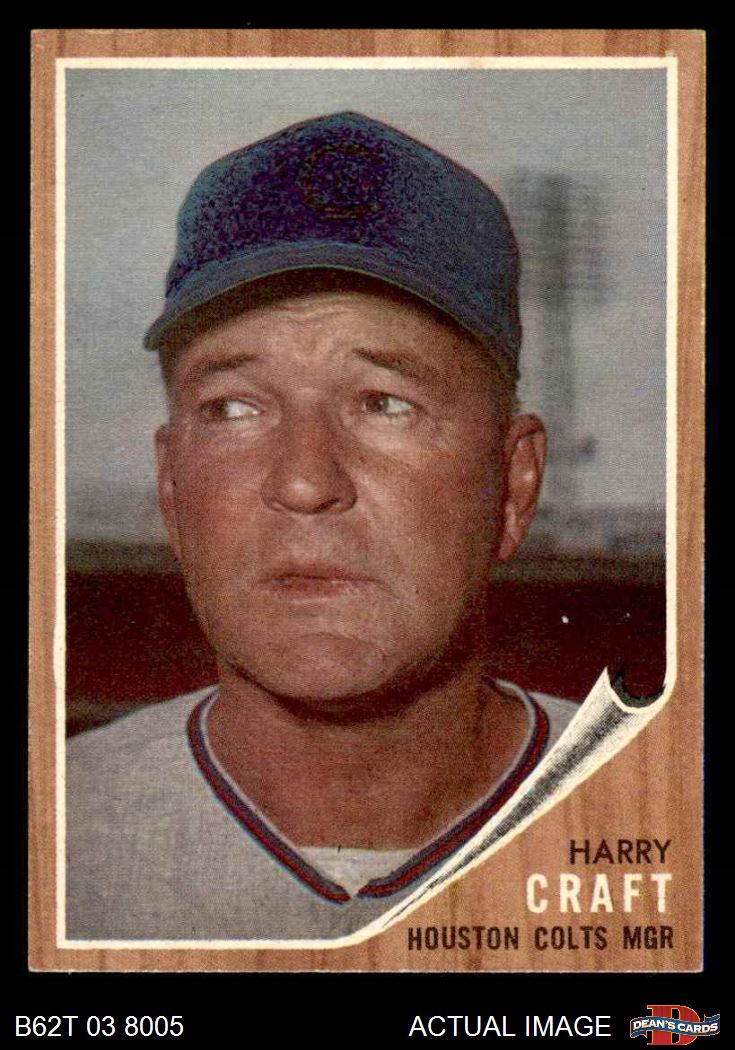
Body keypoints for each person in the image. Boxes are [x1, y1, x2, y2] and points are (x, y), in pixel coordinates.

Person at [66, 112, 580, 941]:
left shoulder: (664, 810)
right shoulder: (55, 829)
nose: (304, 482)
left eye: (384, 403)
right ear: (170, 485)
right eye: (232, 408)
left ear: (514, 487)